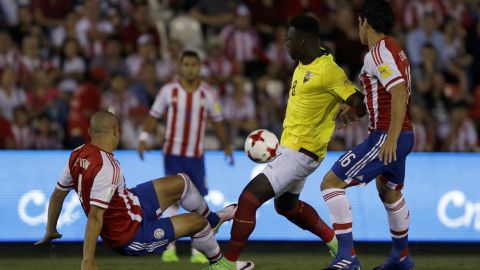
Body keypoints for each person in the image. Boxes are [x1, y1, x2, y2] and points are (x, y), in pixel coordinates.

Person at [205, 15, 367, 270]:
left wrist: (352, 110)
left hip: (300, 153)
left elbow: (358, 100)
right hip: (291, 148)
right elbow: (326, 53)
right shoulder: (312, 58)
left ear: (302, 41)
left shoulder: (328, 71)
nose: (286, 45)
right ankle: (339, 246)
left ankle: (228, 264)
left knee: (249, 199)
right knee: (287, 206)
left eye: (289, 40)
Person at [35, 110, 253, 270]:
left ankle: (214, 220)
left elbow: (57, 195)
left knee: (182, 182)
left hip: (132, 203)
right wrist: (87, 262)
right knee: (198, 223)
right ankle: (220, 265)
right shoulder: (107, 168)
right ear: (116, 132)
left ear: (91, 132)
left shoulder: (77, 153)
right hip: (131, 234)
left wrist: (50, 229)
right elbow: (95, 218)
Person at [321, 1, 415, 269]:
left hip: (388, 135)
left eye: (358, 23)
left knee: (331, 183)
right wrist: (354, 111)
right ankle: (401, 258)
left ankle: (347, 257)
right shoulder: (394, 50)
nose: (358, 29)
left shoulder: (377, 53)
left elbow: (397, 92)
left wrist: (391, 138)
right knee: (389, 192)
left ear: (366, 23)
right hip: (403, 132)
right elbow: (384, 94)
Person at [138, 50, 234, 263]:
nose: (190, 68)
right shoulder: (168, 91)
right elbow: (153, 115)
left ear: (199, 67)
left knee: (199, 202)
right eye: (186, 64)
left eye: (193, 64)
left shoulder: (208, 93)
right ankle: (169, 247)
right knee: (172, 200)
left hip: (196, 156)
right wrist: (144, 137)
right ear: (180, 67)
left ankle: (197, 250)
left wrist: (227, 145)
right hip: (173, 154)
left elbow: (217, 122)